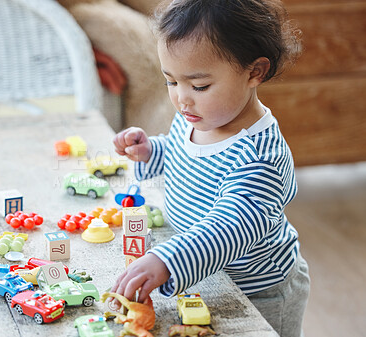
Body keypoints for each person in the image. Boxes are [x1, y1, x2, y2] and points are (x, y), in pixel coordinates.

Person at [112, 1, 310, 336]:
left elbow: (230, 227)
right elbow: (182, 156)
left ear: (254, 72)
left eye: (199, 86)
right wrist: (150, 151)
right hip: (208, 275)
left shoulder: (261, 157)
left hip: (260, 293)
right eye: (171, 82)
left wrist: (167, 260)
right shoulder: (198, 116)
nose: (182, 99)